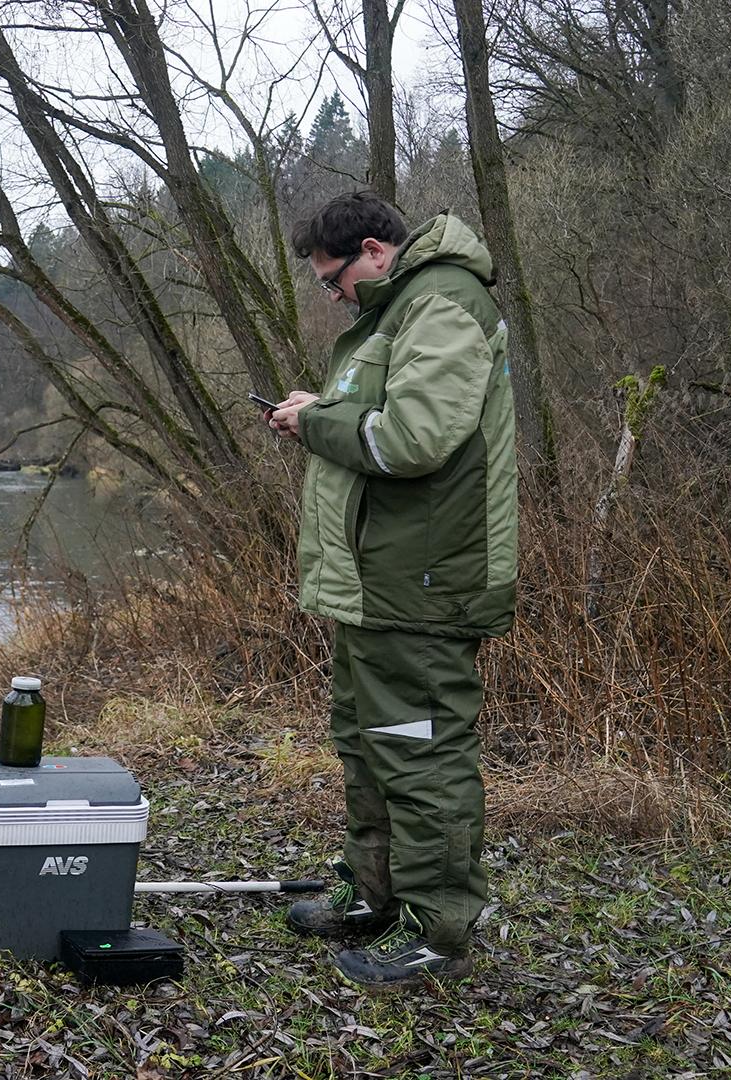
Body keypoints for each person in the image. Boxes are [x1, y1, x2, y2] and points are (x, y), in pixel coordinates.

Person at [266, 191, 518, 989]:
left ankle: (441, 932)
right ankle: (374, 895)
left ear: (375, 251)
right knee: (369, 741)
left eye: (331, 278)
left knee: (422, 750)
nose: (331, 294)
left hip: (425, 582)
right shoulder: (395, 312)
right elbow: (383, 413)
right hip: (379, 585)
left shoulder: (441, 304)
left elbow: (411, 437)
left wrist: (314, 423)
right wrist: (326, 406)